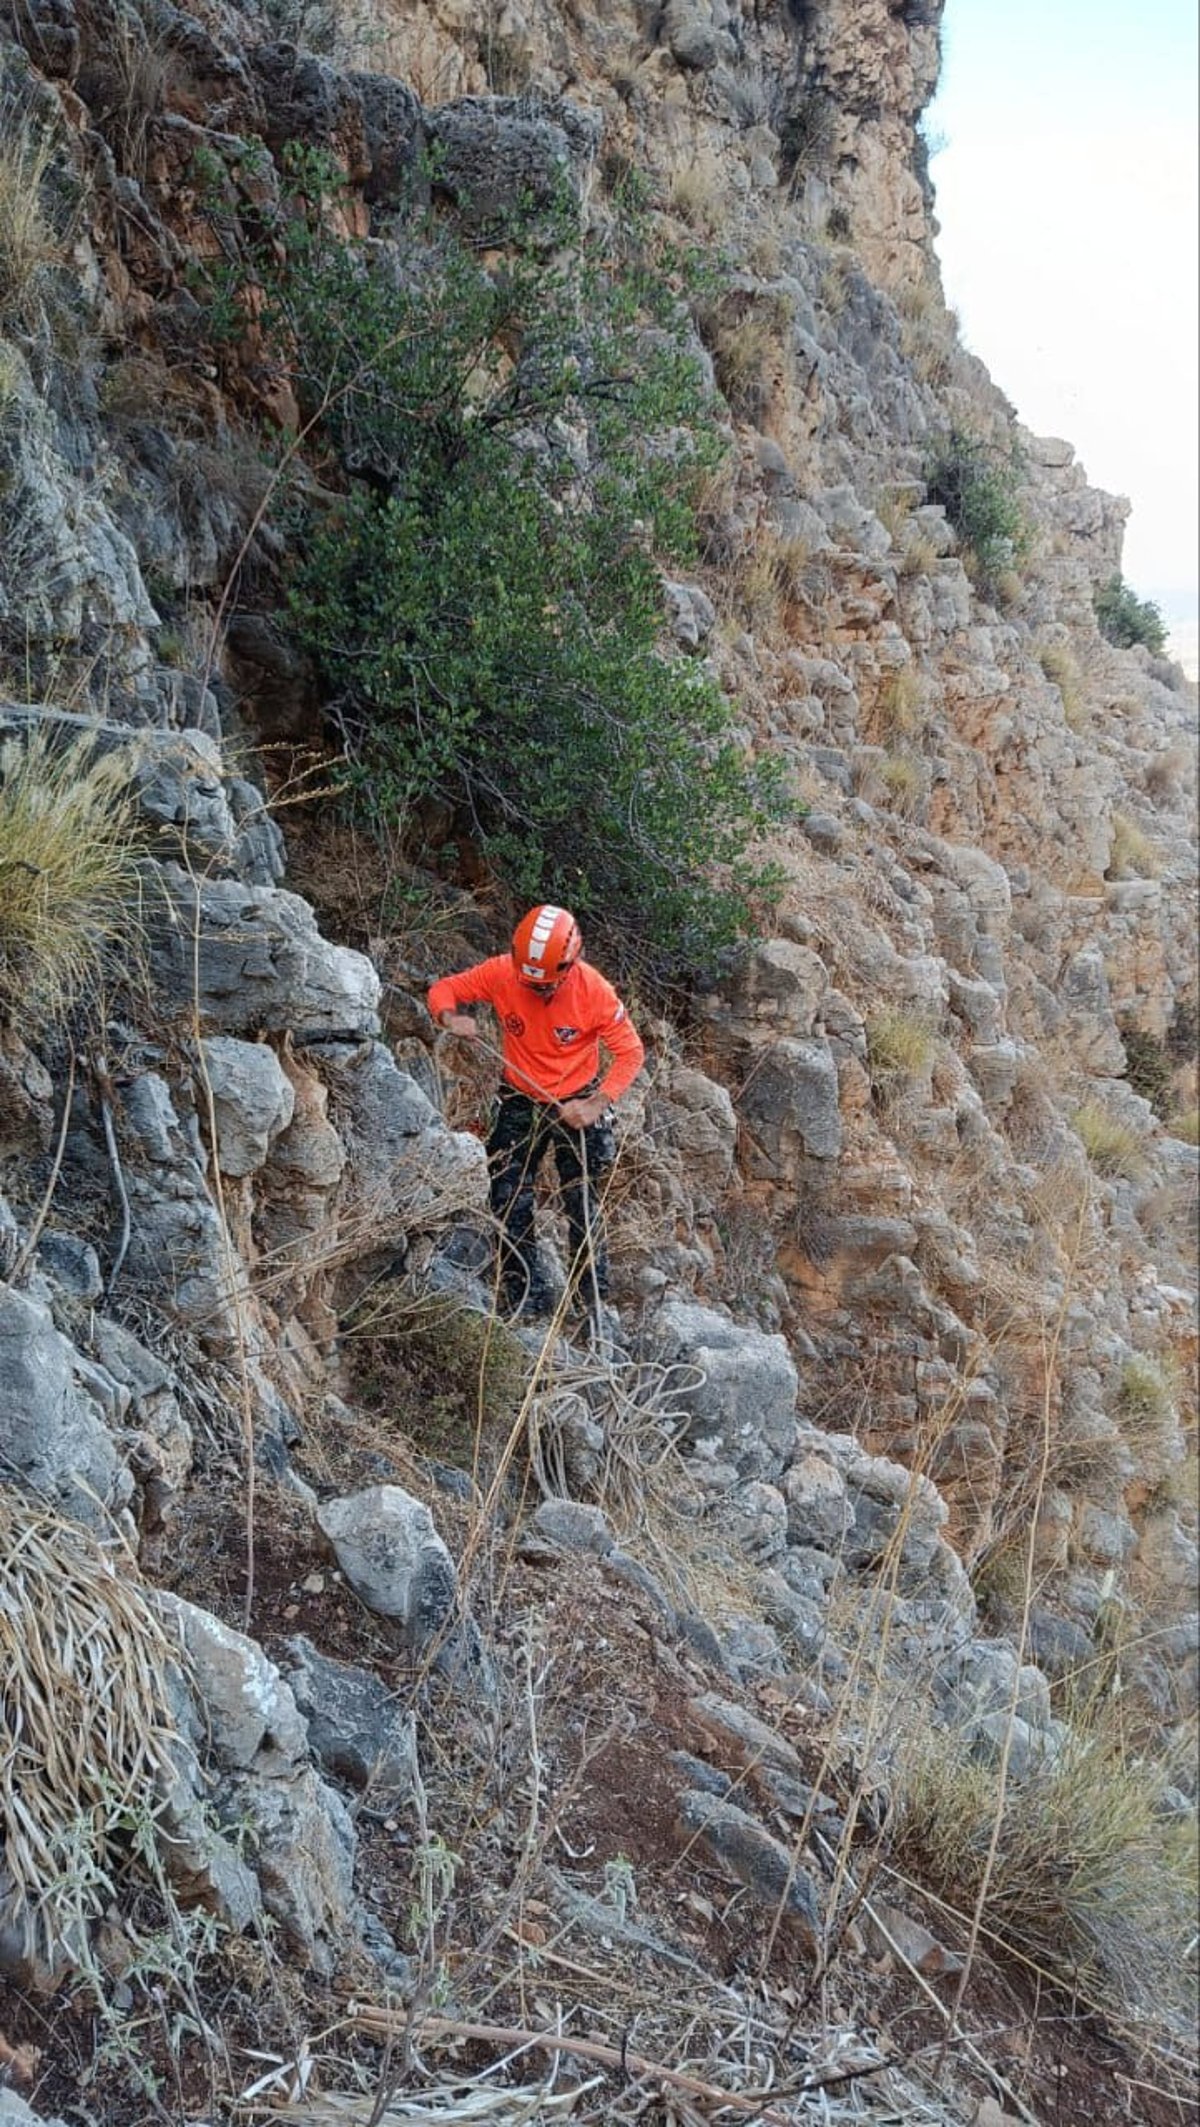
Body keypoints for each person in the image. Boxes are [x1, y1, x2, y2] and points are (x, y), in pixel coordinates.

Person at [427, 905, 644, 1318]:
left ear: (569, 965)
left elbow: (630, 1052)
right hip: (520, 1099)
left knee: (581, 1200)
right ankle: (527, 1291)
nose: (536, 992)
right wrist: (450, 1017)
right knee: (507, 1195)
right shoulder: (502, 972)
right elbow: (445, 990)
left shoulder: (593, 991)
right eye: (531, 984)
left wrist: (596, 1104)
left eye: (545, 987)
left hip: (579, 1100)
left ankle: (592, 1302)